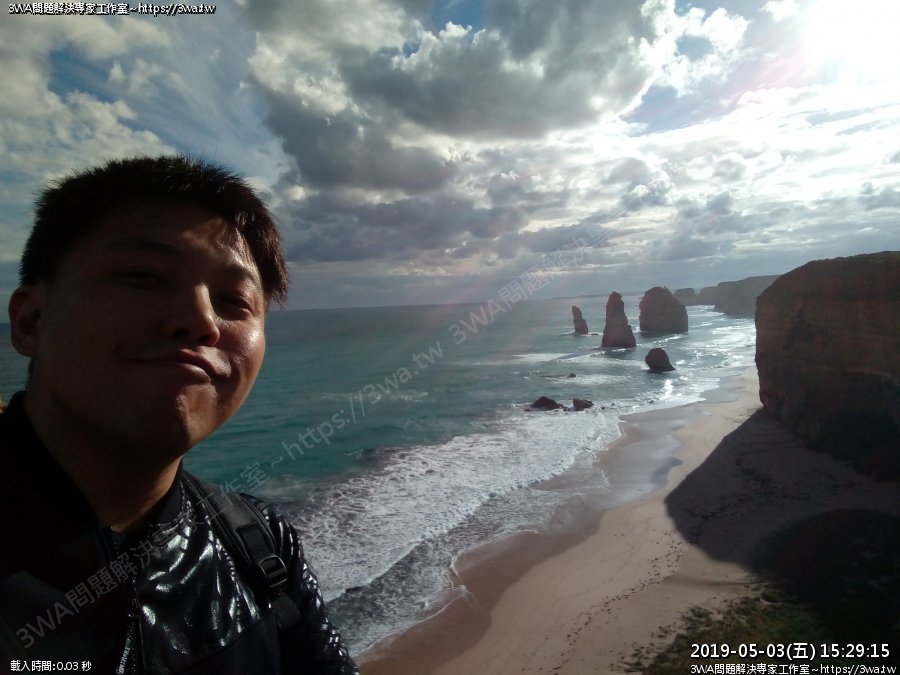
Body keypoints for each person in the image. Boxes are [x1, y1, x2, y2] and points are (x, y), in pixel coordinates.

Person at [0, 156, 359, 673]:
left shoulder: (260, 546)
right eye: (143, 276)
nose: (200, 320)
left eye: (234, 300)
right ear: (31, 320)